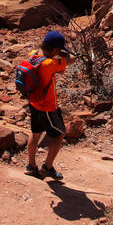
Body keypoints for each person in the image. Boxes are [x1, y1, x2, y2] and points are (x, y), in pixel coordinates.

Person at [24, 30, 69, 181]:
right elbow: (70, 61)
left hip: (34, 103)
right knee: (59, 134)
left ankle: (31, 166)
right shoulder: (50, 64)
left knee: (35, 133)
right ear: (56, 50)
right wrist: (64, 54)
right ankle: (47, 168)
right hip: (48, 107)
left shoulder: (33, 54)